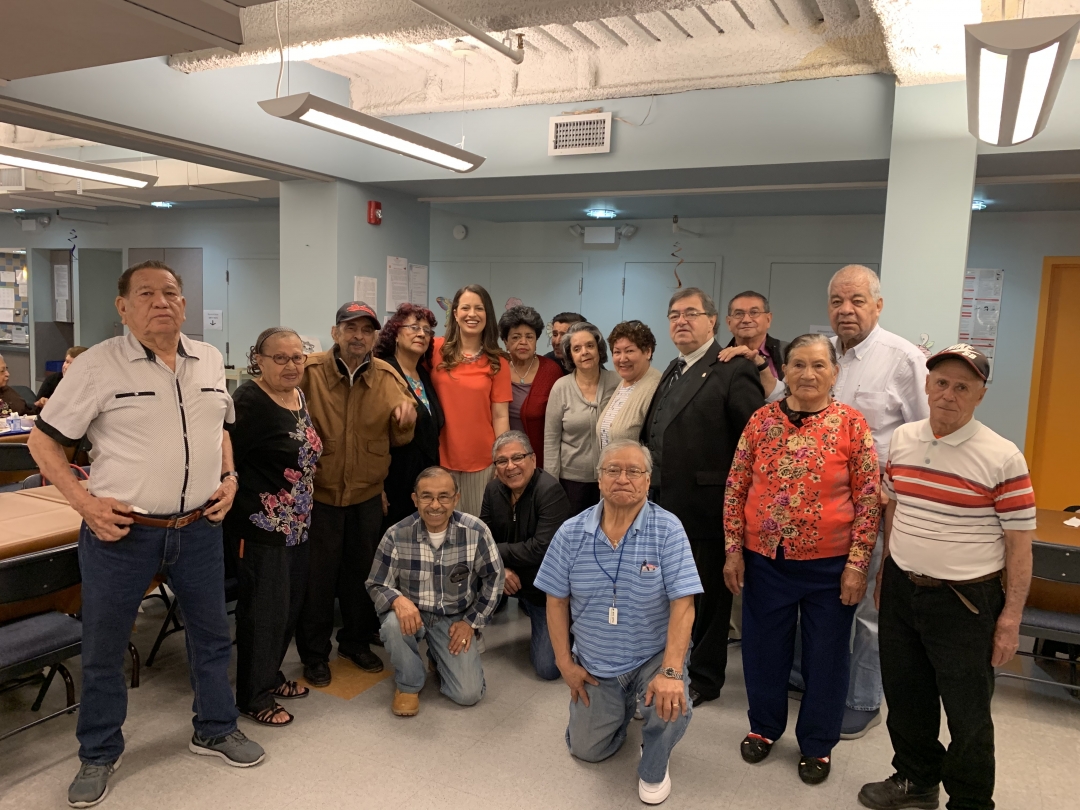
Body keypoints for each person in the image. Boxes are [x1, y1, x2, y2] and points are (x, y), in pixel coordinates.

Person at [27, 260, 264, 808]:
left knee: (210, 636)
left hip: (199, 528)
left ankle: (214, 727)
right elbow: (43, 444)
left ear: (184, 303)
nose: (162, 302)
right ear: (123, 307)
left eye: (172, 293)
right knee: (105, 648)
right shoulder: (97, 367)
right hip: (122, 533)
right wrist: (83, 503)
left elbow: (220, 429)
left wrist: (229, 479)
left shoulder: (206, 359)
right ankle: (99, 753)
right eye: (147, 294)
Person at [858, 344, 1036, 810]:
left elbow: (1020, 548)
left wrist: (1011, 618)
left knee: (968, 713)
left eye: (963, 387)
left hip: (966, 603)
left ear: (980, 395)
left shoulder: (1003, 458)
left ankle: (971, 802)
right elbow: (893, 505)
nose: (948, 395)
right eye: (941, 383)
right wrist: (887, 570)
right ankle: (916, 780)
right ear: (927, 385)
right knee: (906, 696)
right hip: (902, 588)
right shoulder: (904, 440)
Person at [723, 333, 881, 785]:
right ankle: (765, 727)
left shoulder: (852, 424)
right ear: (784, 369)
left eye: (818, 365)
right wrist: (734, 550)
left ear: (835, 372)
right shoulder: (760, 421)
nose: (807, 374)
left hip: (830, 568)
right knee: (762, 650)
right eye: (797, 364)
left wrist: (857, 565)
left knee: (826, 658)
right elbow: (736, 488)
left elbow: (869, 500)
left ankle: (817, 743)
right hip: (765, 560)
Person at [790, 264, 931, 740]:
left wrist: (900, 502)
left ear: (878, 305)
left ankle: (863, 698)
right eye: (836, 301)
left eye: (856, 301)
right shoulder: (824, 354)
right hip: (818, 510)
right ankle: (817, 680)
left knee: (868, 606)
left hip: (874, 507)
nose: (845, 311)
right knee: (827, 600)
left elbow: (925, 435)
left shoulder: (902, 358)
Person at [535, 440, 703, 806]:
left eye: (633, 471)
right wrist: (565, 663)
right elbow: (555, 601)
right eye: (612, 470)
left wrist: (672, 670)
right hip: (596, 662)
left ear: (647, 481)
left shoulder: (668, 529)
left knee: (673, 703)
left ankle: (654, 758)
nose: (622, 478)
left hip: (651, 655)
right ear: (598, 479)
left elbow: (684, 605)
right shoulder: (570, 533)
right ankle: (625, 708)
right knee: (586, 750)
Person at [640, 287, 765, 706]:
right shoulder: (673, 369)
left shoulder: (732, 369)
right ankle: (672, 658)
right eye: (674, 314)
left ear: (712, 321)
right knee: (672, 592)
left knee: (708, 597)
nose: (681, 321)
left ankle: (706, 678)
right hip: (661, 502)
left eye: (691, 313)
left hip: (706, 506)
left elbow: (754, 442)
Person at [296, 301, 417, 688]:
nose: (358, 336)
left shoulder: (386, 377)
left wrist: (406, 421)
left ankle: (353, 642)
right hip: (320, 496)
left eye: (366, 330)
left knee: (361, 576)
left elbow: (399, 439)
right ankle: (314, 653)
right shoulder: (308, 372)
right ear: (335, 333)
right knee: (317, 580)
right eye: (351, 328)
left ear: (374, 337)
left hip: (366, 497)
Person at [225, 327, 323, 728]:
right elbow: (224, 450)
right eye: (279, 358)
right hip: (261, 527)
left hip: (297, 524)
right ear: (259, 360)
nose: (290, 365)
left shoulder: (297, 396)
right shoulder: (248, 400)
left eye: (297, 357)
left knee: (288, 607)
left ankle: (271, 675)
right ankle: (252, 694)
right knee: (263, 612)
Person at [366, 466, 505, 716]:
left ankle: (437, 657)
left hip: (454, 618)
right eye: (427, 496)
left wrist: (470, 624)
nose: (435, 505)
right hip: (414, 615)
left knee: (468, 695)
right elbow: (376, 583)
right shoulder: (396, 534)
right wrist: (398, 601)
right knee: (391, 625)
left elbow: (495, 579)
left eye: (444, 496)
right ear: (415, 500)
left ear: (456, 499)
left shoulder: (476, 531)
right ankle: (408, 684)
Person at [479, 430, 570, 680]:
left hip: (543, 589)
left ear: (533, 459)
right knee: (463, 567)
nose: (510, 466)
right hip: (508, 577)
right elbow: (481, 540)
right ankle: (466, 632)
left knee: (548, 669)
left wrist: (497, 557)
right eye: (502, 461)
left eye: (517, 457)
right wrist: (501, 571)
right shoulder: (492, 490)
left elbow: (541, 548)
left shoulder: (550, 491)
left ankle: (564, 626)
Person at [429, 284, 511, 517]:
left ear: (488, 315)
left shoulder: (498, 361)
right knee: (440, 527)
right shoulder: (434, 349)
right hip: (439, 457)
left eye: (479, 308)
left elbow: (500, 415)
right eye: (465, 308)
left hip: (482, 461)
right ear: (455, 313)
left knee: (476, 529)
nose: (472, 314)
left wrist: (501, 459)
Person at [374, 303, 445, 529]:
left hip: (422, 481)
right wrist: (377, 487)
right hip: (394, 480)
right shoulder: (381, 372)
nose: (422, 334)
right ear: (395, 333)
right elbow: (370, 433)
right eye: (414, 327)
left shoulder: (423, 373)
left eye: (427, 330)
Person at [544, 321, 619, 515]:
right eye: (577, 349)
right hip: (571, 483)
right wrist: (552, 485)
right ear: (570, 355)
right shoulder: (560, 387)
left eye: (590, 346)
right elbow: (551, 440)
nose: (584, 352)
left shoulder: (617, 383)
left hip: (613, 477)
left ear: (599, 349)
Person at [498, 305, 563, 469]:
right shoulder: (497, 368)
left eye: (529, 337)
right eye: (516, 337)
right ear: (505, 342)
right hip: (503, 459)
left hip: (539, 458)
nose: (523, 342)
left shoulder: (551, 370)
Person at [597, 320, 662, 450]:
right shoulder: (623, 383)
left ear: (648, 352)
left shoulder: (656, 388)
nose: (622, 359)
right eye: (617, 352)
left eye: (629, 351)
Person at [717, 291, 787, 402]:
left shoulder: (788, 353)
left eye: (754, 312)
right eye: (739, 314)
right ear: (729, 323)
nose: (746, 320)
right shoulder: (718, 359)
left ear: (768, 319)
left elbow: (798, 400)